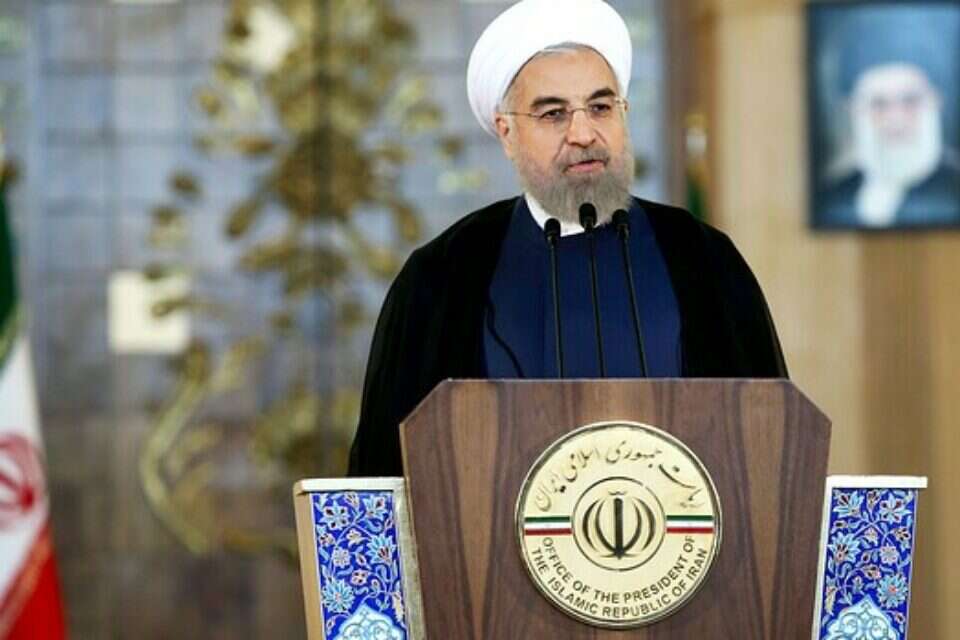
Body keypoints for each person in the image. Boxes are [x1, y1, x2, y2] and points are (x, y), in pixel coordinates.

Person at [348, 0, 786, 477]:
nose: (583, 133)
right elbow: (383, 478)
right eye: (554, 113)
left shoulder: (702, 258)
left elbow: (770, 450)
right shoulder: (442, 276)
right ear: (507, 133)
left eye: (600, 107)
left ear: (623, 114)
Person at [818, 19, 960, 228]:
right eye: (878, 104)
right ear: (851, 109)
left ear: (937, 100)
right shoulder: (832, 197)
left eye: (910, 101)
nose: (896, 120)